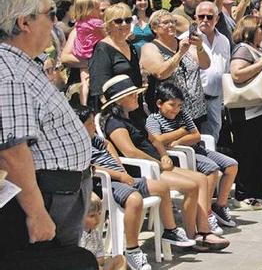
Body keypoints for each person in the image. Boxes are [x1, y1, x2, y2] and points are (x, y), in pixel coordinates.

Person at [0, 0, 97, 270]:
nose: (55, 22)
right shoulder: (8, 72)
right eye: (49, 13)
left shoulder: (22, 64)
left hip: (58, 194)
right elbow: (11, 152)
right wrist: (36, 213)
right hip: (46, 197)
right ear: (23, 22)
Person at [101, 75, 229, 251]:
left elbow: (154, 140)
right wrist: (158, 163)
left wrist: (164, 156)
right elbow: (130, 152)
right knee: (192, 186)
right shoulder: (114, 123)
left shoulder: (134, 116)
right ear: (119, 101)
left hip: (157, 164)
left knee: (200, 179)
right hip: (145, 170)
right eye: (131, 95)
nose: (136, 97)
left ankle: (203, 230)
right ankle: (192, 236)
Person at [79, 107, 195, 269]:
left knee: (161, 186)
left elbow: (107, 144)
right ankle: (132, 250)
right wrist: (119, 175)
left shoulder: (94, 139)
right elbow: (90, 169)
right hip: (107, 183)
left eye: (93, 122)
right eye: (89, 124)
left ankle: (170, 230)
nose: (93, 126)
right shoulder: (78, 144)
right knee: (135, 199)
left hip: (123, 176)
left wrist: (119, 166)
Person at [145, 82, 239, 228]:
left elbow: (196, 136)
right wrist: (182, 131)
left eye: (179, 106)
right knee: (211, 169)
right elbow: (157, 140)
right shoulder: (153, 119)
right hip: (181, 156)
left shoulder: (183, 114)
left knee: (232, 165)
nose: (176, 109)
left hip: (195, 148)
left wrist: (179, 139)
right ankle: (205, 213)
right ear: (159, 103)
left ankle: (220, 206)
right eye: (172, 105)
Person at [229, 16, 262, 209]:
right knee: (246, 153)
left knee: (261, 153)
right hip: (246, 111)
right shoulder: (242, 49)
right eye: (260, 28)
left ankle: (259, 191)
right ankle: (243, 194)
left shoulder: (258, 49)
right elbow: (237, 74)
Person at [140, 10, 210, 126]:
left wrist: (199, 47)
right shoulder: (150, 48)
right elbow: (161, 73)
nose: (171, 25)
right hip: (170, 116)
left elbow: (205, 64)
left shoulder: (185, 43)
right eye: (166, 22)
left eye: (173, 22)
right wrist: (180, 54)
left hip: (196, 112)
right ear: (154, 28)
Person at [88, 4, 142, 113]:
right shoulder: (102, 49)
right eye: (118, 21)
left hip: (134, 106)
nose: (124, 24)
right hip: (115, 111)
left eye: (128, 20)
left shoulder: (130, 45)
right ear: (108, 25)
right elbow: (99, 89)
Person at [190, 2, 229, 143]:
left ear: (217, 19)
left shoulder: (224, 40)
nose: (205, 20)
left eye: (209, 17)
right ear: (195, 18)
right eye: (201, 16)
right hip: (194, 102)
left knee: (212, 141)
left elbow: (226, 69)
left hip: (216, 101)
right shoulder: (187, 39)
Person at [72, 0, 106, 106]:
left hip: (82, 53)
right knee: (99, 78)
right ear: (90, 10)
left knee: (84, 81)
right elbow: (106, 34)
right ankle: (103, 98)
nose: (99, 12)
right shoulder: (96, 23)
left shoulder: (79, 23)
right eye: (97, 9)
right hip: (94, 52)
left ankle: (84, 103)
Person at [80, 194, 125, 270]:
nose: (98, 219)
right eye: (92, 215)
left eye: (99, 213)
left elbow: (101, 258)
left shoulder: (96, 234)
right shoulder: (76, 236)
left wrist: (99, 262)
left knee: (121, 259)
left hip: (95, 265)